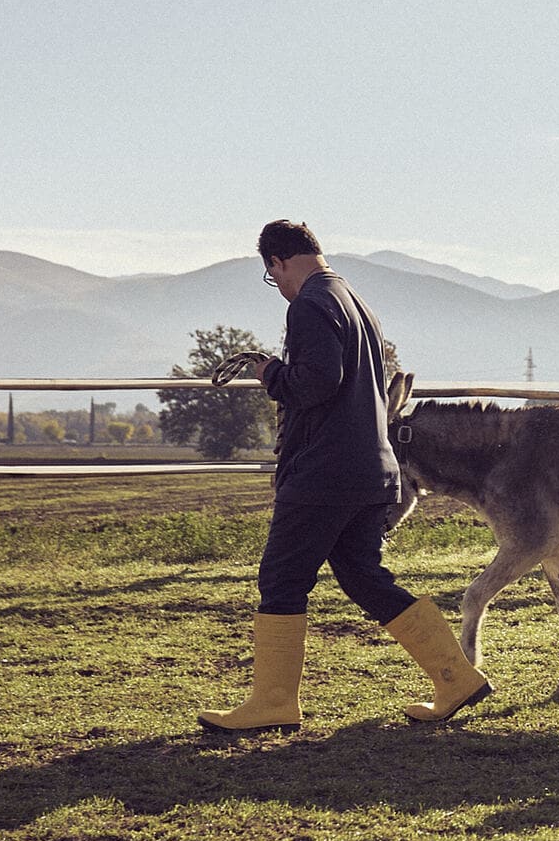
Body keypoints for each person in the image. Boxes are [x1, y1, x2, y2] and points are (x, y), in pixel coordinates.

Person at [199, 219, 492, 730]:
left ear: (277, 263)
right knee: (363, 577)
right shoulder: (355, 302)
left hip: (323, 472)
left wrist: (270, 373)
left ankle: (273, 702)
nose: (280, 288)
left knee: (282, 579)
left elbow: (316, 383)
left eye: (274, 278)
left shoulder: (309, 305)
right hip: (370, 469)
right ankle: (455, 679)